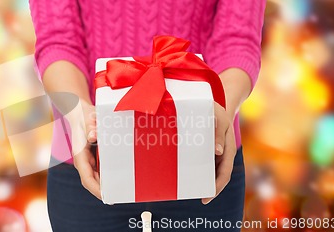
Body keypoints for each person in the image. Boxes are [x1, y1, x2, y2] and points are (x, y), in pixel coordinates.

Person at [29, 0, 265, 231]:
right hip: (86, 156)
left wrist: (223, 106)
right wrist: (77, 111)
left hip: (204, 152)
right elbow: (57, 40)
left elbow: (238, 39)